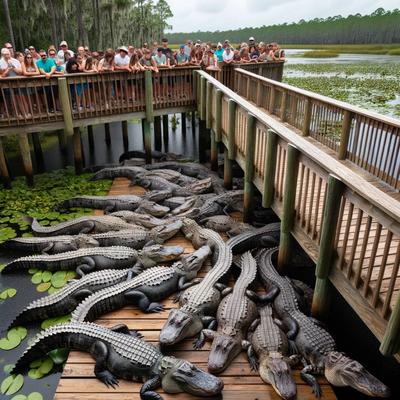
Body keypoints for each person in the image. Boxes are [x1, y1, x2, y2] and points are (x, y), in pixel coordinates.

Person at [0, 47, 27, 117]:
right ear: (2, 55)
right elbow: (2, 75)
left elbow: (21, 72)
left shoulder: (15, 61)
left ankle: (24, 113)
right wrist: (8, 69)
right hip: (7, 84)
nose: (7, 56)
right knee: (11, 100)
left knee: (20, 98)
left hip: (17, 82)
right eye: (5, 54)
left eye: (8, 54)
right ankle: (16, 114)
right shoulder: (0, 62)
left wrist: (13, 67)